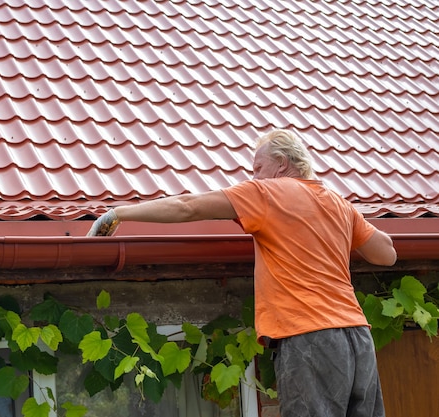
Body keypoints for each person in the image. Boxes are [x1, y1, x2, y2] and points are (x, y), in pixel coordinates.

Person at [86, 129, 397, 417]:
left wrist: (117, 213)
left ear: (281, 165)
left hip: (308, 336)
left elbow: (187, 206)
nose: (254, 176)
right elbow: (386, 254)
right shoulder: (340, 205)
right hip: (358, 338)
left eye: (258, 168)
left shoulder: (268, 194)